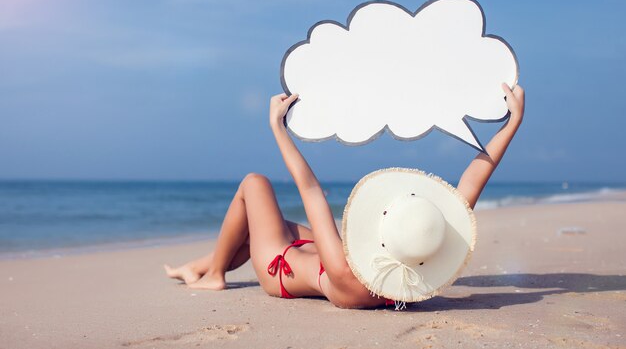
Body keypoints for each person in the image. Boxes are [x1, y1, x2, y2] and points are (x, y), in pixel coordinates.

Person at [164, 83, 525, 309]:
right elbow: (474, 179)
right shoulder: (418, 281)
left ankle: (213, 274)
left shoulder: (344, 270)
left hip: (280, 267)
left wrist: (277, 128)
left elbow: (309, 188)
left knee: (254, 184)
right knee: (284, 224)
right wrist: (512, 124)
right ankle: (197, 266)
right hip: (312, 256)